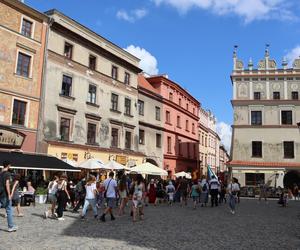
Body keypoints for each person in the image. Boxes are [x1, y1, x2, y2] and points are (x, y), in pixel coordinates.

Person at [0, 161, 18, 232]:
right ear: (8, 165)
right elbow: (7, 184)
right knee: (9, 210)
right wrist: (9, 194)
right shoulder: (7, 173)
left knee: (2, 204)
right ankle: (11, 226)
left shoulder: (0, 173)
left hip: (0, 194)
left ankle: (11, 226)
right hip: (5, 194)